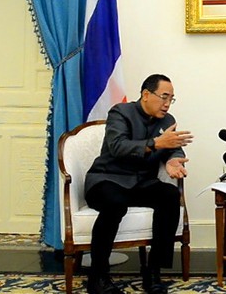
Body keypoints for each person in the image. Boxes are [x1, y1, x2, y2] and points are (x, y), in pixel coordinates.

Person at [84, 74, 193, 294]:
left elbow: (174, 148)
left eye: (171, 99)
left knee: (170, 195)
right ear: (145, 94)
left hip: (141, 183)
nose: (167, 104)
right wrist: (155, 143)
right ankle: (98, 276)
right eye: (164, 97)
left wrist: (173, 159)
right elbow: (118, 146)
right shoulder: (120, 112)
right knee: (115, 203)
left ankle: (153, 272)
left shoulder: (167, 121)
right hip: (107, 179)